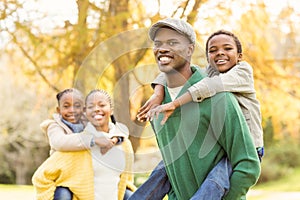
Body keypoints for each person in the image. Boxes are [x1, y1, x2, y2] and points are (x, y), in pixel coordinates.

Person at [130, 18, 260, 200]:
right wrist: (158, 90)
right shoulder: (155, 107)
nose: (163, 48)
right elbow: (173, 168)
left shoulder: (219, 96)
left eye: (173, 42)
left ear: (190, 49)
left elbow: (248, 164)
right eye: (158, 44)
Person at [32, 89, 136, 200]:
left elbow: (118, 129)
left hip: (94, 182)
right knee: (63, 194)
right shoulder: (56, 127)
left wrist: (115, 139)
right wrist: (94, 140)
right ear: (58, 110)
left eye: (77, 106)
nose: (72, 110)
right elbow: (60, 142)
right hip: (62, 175)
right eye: (66, 106)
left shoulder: (87, 126)